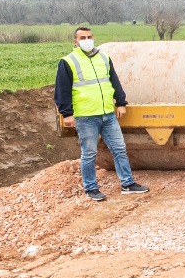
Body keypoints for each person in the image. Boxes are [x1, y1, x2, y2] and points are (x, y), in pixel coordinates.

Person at [54, 26, 149, 202]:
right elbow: (62, 91)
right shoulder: (68, 61)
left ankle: (127, 184)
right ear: (75, 41)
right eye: (82, 37)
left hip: (108, 114)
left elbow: (113, 81)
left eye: (89, 36)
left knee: (119, 149)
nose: (87, 40)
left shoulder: (104, 58)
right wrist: (67, 114)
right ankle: (91, 188)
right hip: (86, 116)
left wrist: (120, 102)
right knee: (89, 153)